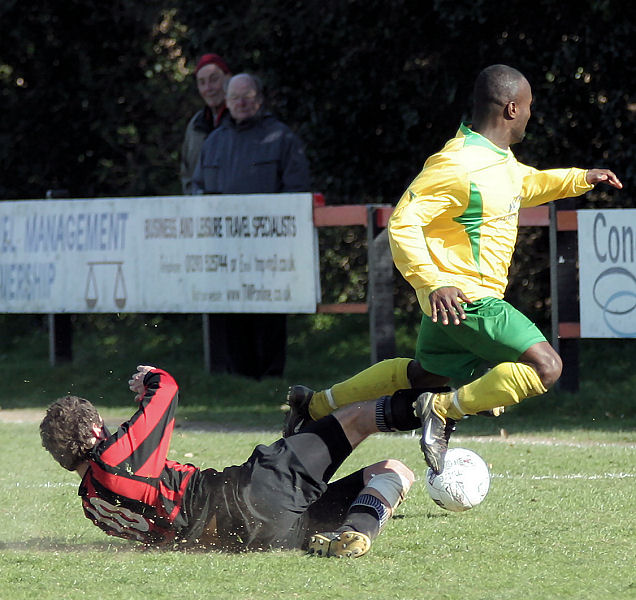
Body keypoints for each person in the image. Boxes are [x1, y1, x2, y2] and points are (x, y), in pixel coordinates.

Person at [283, 64, 623, 474]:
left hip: (452, 304)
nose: (533, 114)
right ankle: (442, 411)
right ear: (513, 109)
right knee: (546, 366)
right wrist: (434, 281)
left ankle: (315, 404)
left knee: (422, 374)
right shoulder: (457, 163)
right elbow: (404, 221)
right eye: (530, 106)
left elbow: (525, 185)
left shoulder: (496, 159)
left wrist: (580, 178)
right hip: (467, 298)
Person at [40, 365, 420, 558]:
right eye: (100, 426)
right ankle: (438, 407)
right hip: (250, 496)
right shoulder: (112, 460)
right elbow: (166, 389)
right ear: (92, 434)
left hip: (260, 538)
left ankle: (353, 533)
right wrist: (149, 377)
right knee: (354, 420)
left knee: (392, 471)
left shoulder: (92, 506)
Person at [192, 73, 311, 379]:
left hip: (269, 248)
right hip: (225, 247)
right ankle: (238, 378)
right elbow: (197, 189)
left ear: (259, 99)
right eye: (235, 98)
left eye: (247, 97)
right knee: (231, 309)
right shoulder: (214, 141)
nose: (241, 103)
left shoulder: (282, 138)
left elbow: (296, 190)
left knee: (269, 312)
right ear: (227, 101)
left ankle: (271, 377)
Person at [180, 53, 232, 195]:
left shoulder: (241, 119)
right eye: (202, 82)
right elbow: (187, 174)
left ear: (229, 79)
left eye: (214, 80)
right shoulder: (195, 125)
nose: (208, 88)